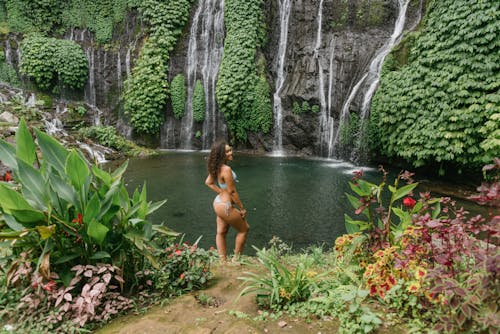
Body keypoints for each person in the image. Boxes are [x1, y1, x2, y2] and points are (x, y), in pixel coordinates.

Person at [205, 140, 249, 262]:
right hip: (226, 206)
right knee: (244, 229)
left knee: (221, 232)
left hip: (218, 203)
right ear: (221, 155)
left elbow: (208, 182)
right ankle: (236, 260)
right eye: (228, 151)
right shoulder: (226, 169)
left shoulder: (216, 167)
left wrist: (220, 192)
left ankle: (223, 261)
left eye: (230, 149)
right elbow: (232, 192)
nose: (231, 152)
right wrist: (242, 208)